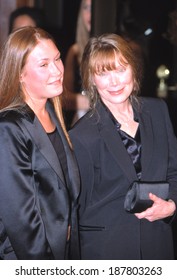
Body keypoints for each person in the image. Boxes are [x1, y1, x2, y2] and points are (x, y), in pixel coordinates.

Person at [69, 33, 177, 260]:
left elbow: (173, 171)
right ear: (92, 79)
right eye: (103, 73)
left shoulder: (158, 111)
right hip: (106, 252)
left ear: (134, 70)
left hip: (158, 247)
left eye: (120, 69)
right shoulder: (82, 135)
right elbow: (76, 208)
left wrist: (172, 205)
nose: (115, 82)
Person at [0, 26, 80, 260]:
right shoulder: (8, 127)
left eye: (57, 59)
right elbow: (23, 223)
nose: (57, 71)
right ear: (19, 74)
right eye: (44, 65)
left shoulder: (51, 113)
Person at [63, 0, 91, 129]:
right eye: (86, 8)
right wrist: (89, 102)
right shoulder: (75, 51)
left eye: (93, 8)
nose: (90, 14)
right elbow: (64, 98)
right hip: (82, 122)